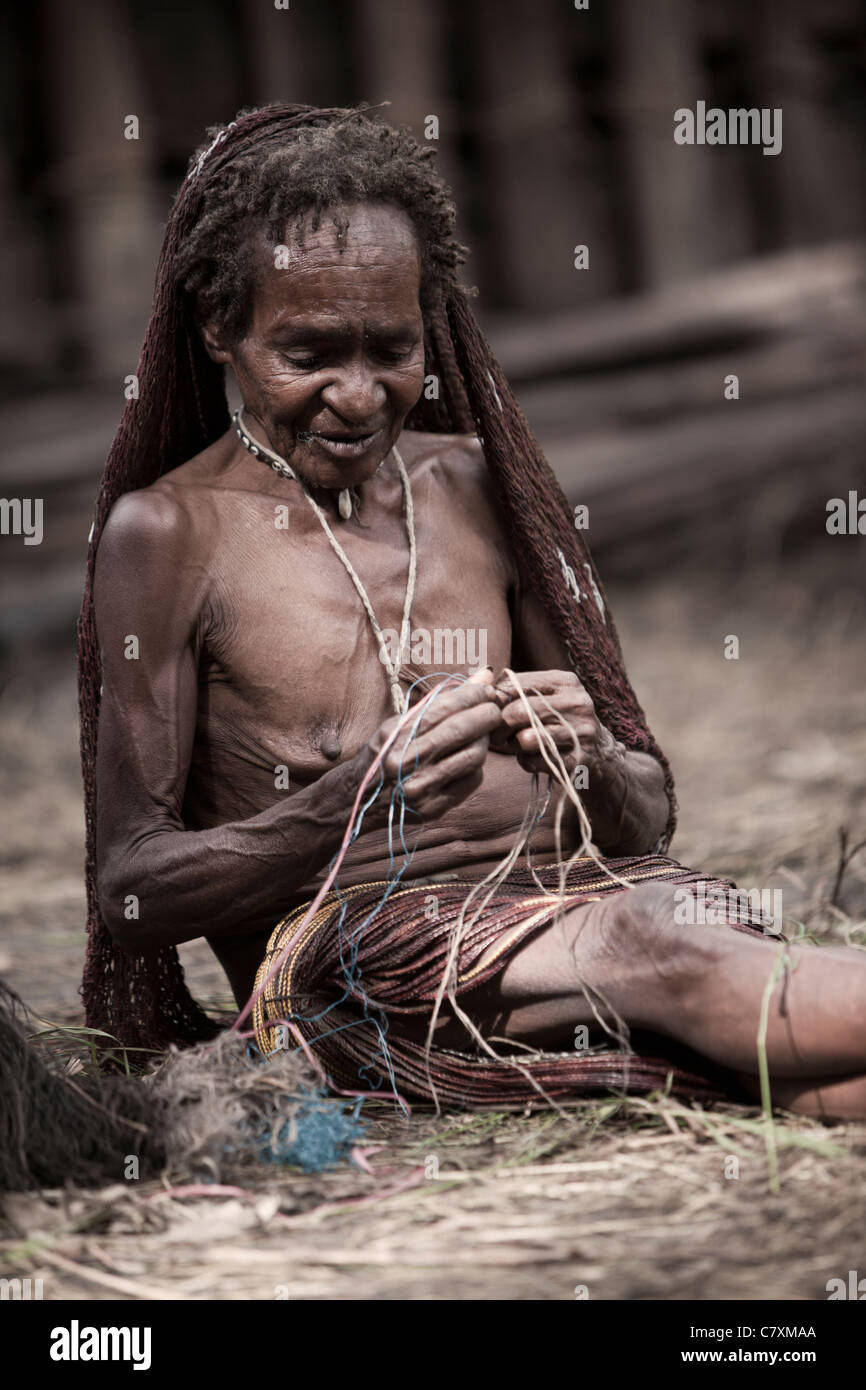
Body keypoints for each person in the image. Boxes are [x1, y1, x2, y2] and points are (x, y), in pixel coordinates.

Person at [79, 104, 866, 1119]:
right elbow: (132, 890)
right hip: (360, 970)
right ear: (220, 327)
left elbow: (646, 807)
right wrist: (348, 799)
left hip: (585, 914)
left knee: (790, 1078)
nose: (358, 396)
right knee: (664, 943)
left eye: (391, 350)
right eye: (310, 354)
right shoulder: (169, 534)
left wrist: (586, 756)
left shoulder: (482, 485)